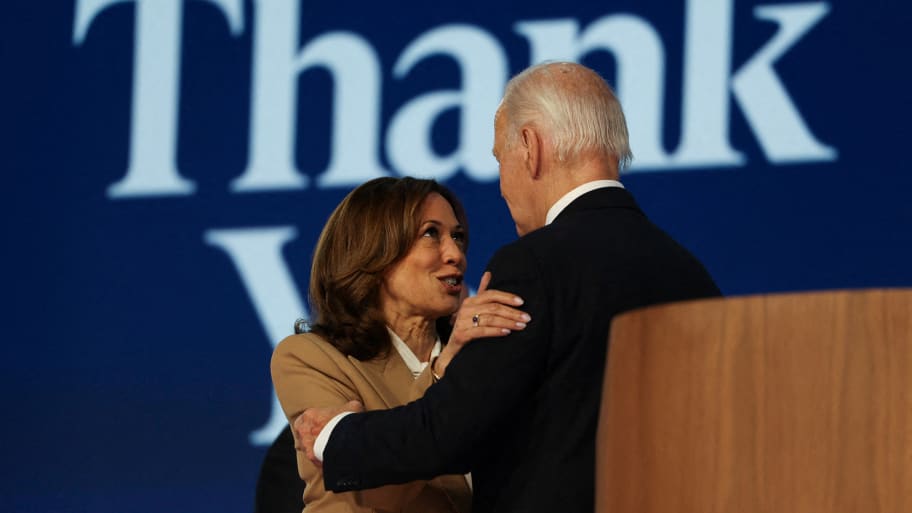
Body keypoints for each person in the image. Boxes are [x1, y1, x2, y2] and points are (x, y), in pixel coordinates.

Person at [293, 61, 723, 513]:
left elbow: (448, 430)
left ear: (530, 147)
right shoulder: (689, 273)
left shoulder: (534, 265)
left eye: (500, 159)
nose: (501, 186)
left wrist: (334, 435)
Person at [270, 176, 531, 513]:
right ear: (374, 251)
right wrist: (443, 370)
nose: (455, 254)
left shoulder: (480, 357)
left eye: (458, 236)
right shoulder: (310, 358)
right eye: (431, 234)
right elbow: (380, 489)